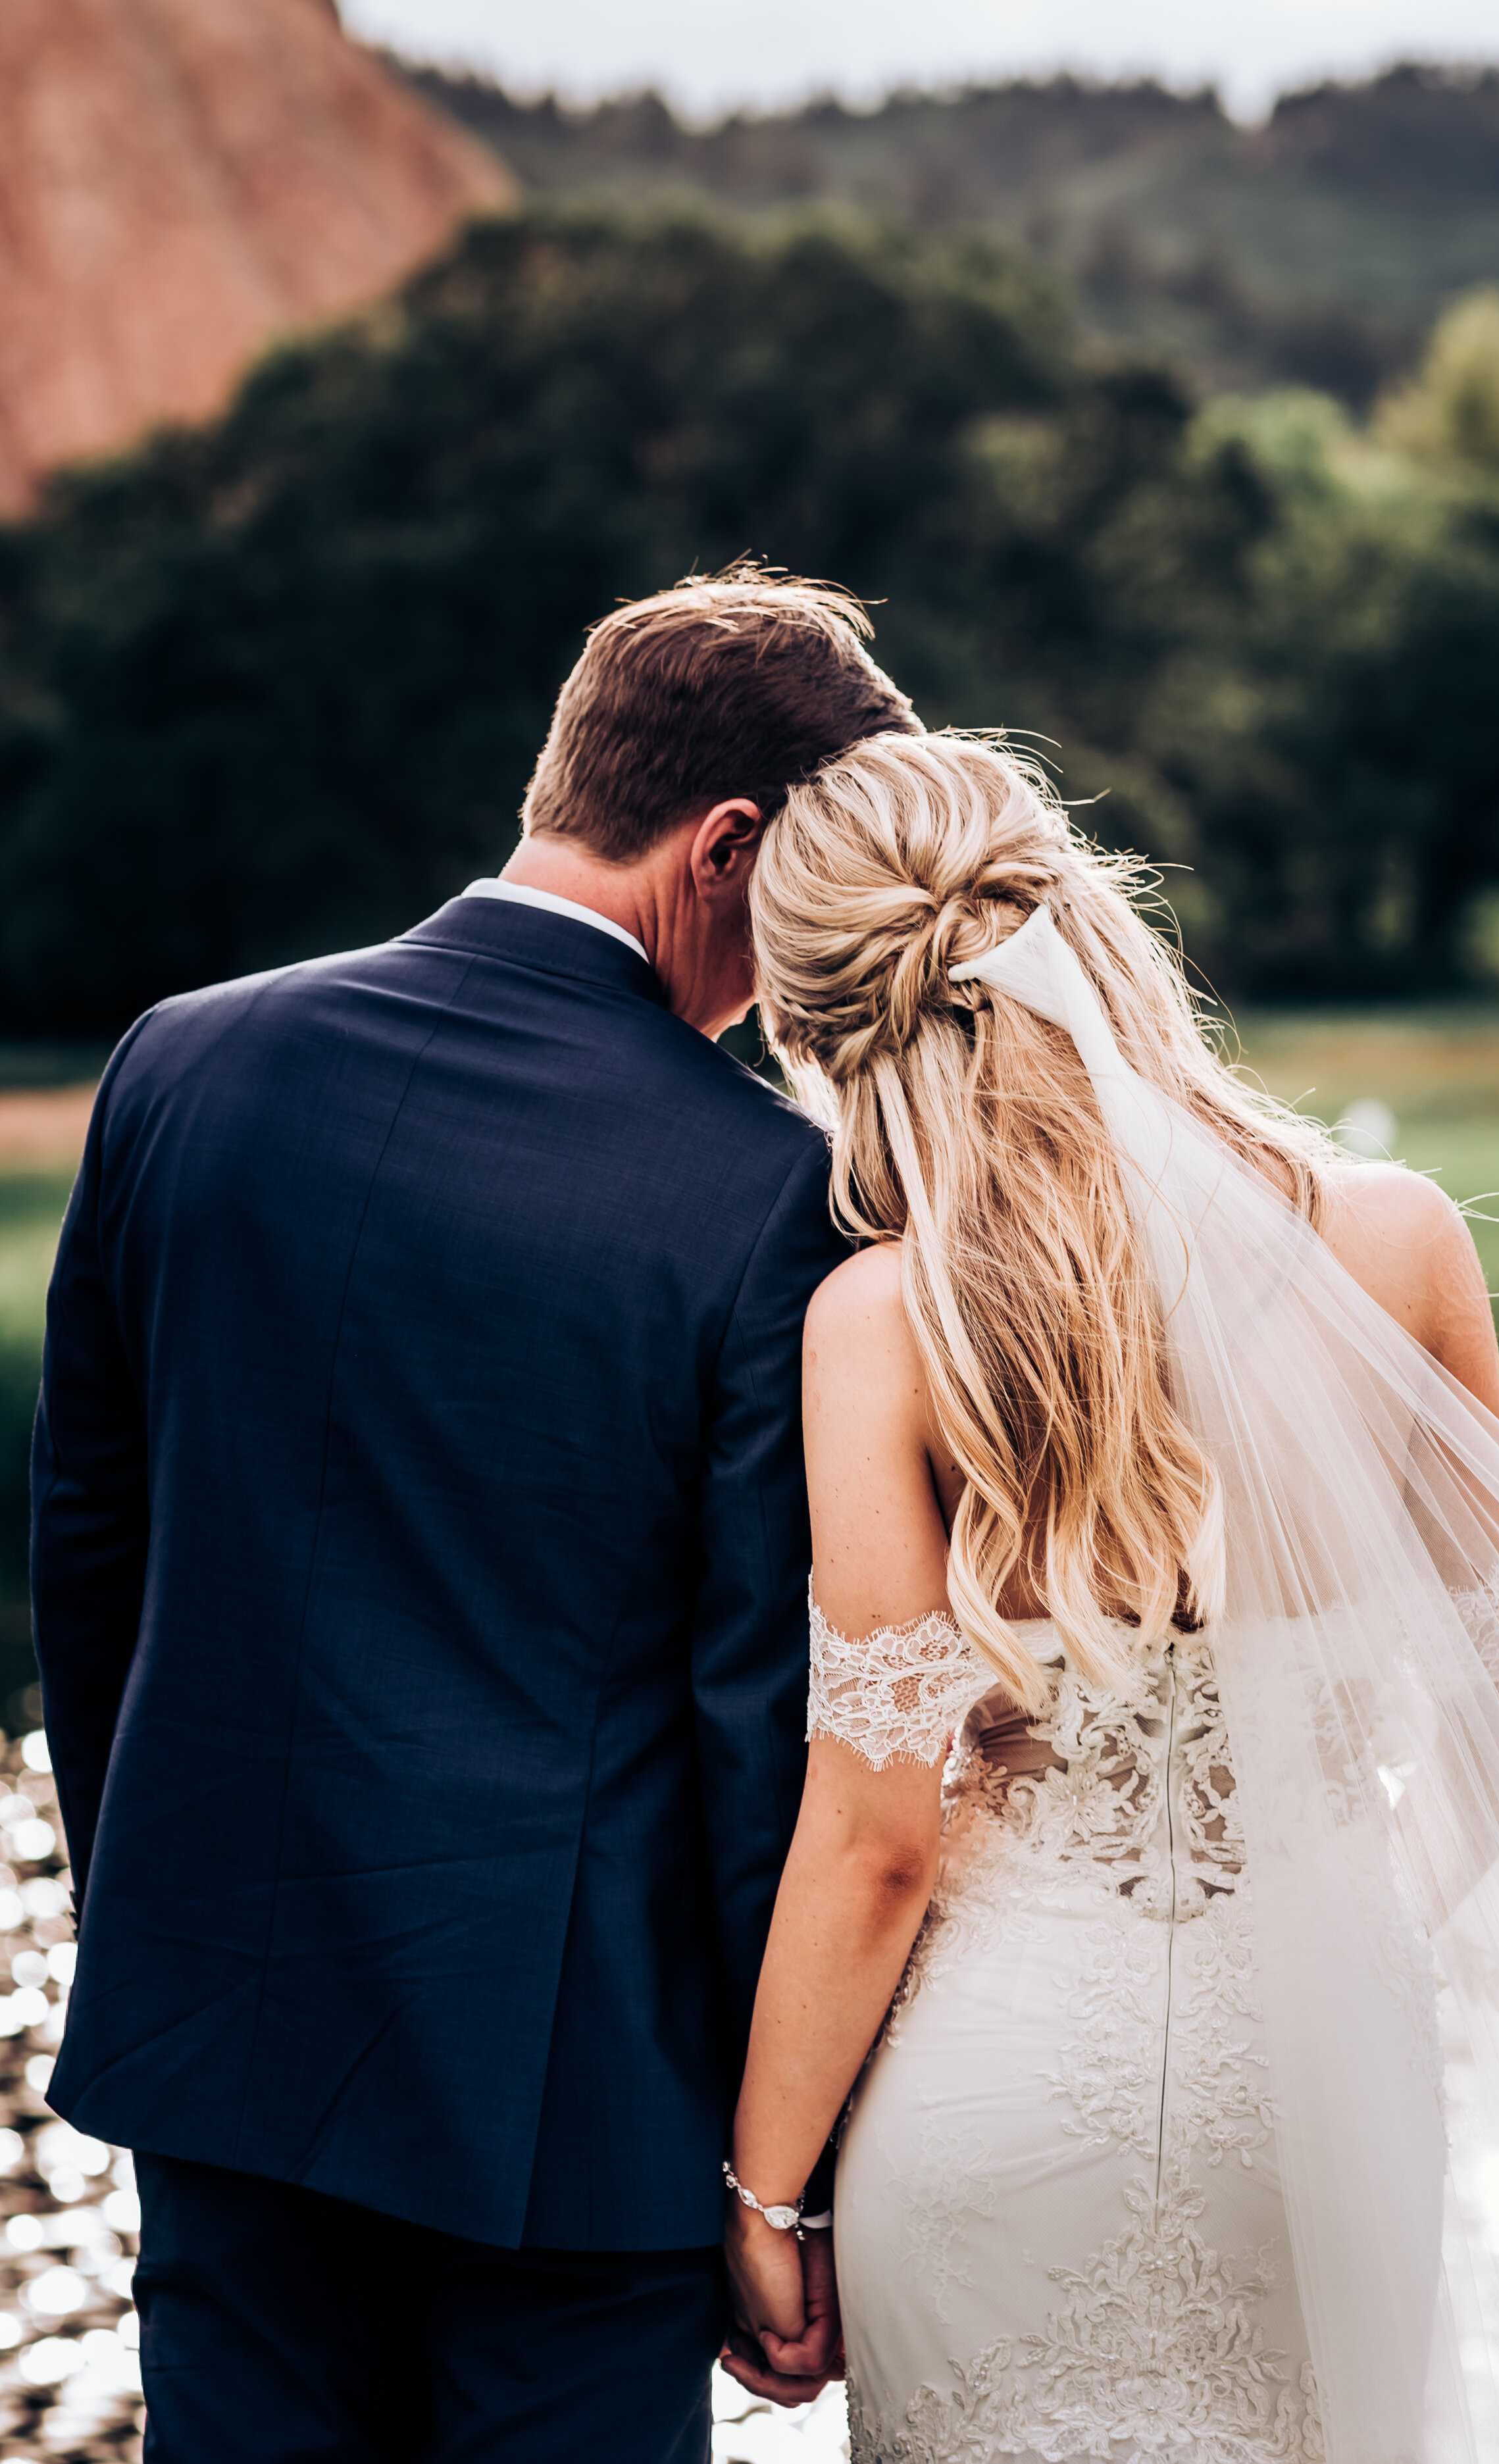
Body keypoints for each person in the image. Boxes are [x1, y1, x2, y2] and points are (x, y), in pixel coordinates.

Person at [30, 568, 915, 2461]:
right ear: (727, 842)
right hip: (571, 2102)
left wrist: (166, 1926)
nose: (787, 976)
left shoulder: (180, 1061)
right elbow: (754, 1710)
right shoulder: (769, 1196)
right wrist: (787, 2175)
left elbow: (90, 1559)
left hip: (219, 2042)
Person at [721, 730, 1499, 2461]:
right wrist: (1324, 1927)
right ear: (1086, 922)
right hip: (1319, 2090)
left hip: (993, 2086)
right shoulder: (1393, 1235)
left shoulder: (882, 1323)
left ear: (830, 1035)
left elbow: (876, 1833)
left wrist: (763, 2193)